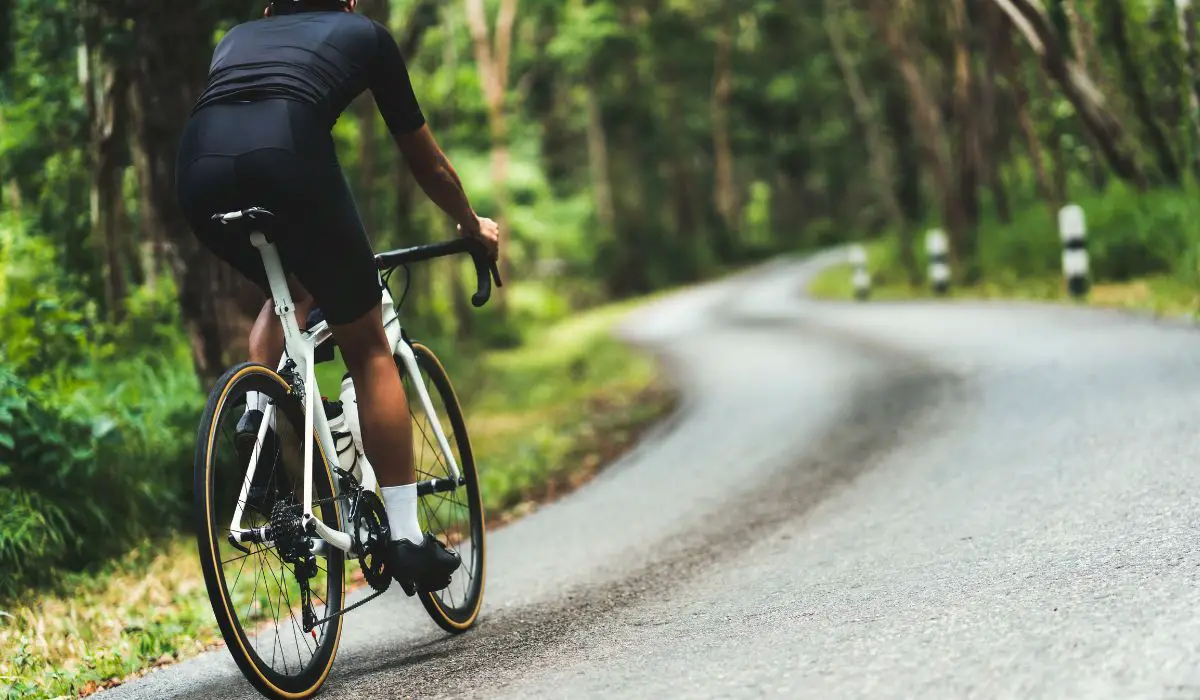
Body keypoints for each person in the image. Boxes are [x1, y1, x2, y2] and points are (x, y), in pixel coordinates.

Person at [175, 0, 500, 594]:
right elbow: (429, 165)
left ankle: (260, 406)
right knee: (369, 344)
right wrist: (470, 223)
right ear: (347, 0)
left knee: (289, 292)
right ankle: (406, 538)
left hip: (197, 169)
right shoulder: (364, 34)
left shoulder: (237, 37)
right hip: (288, 156)